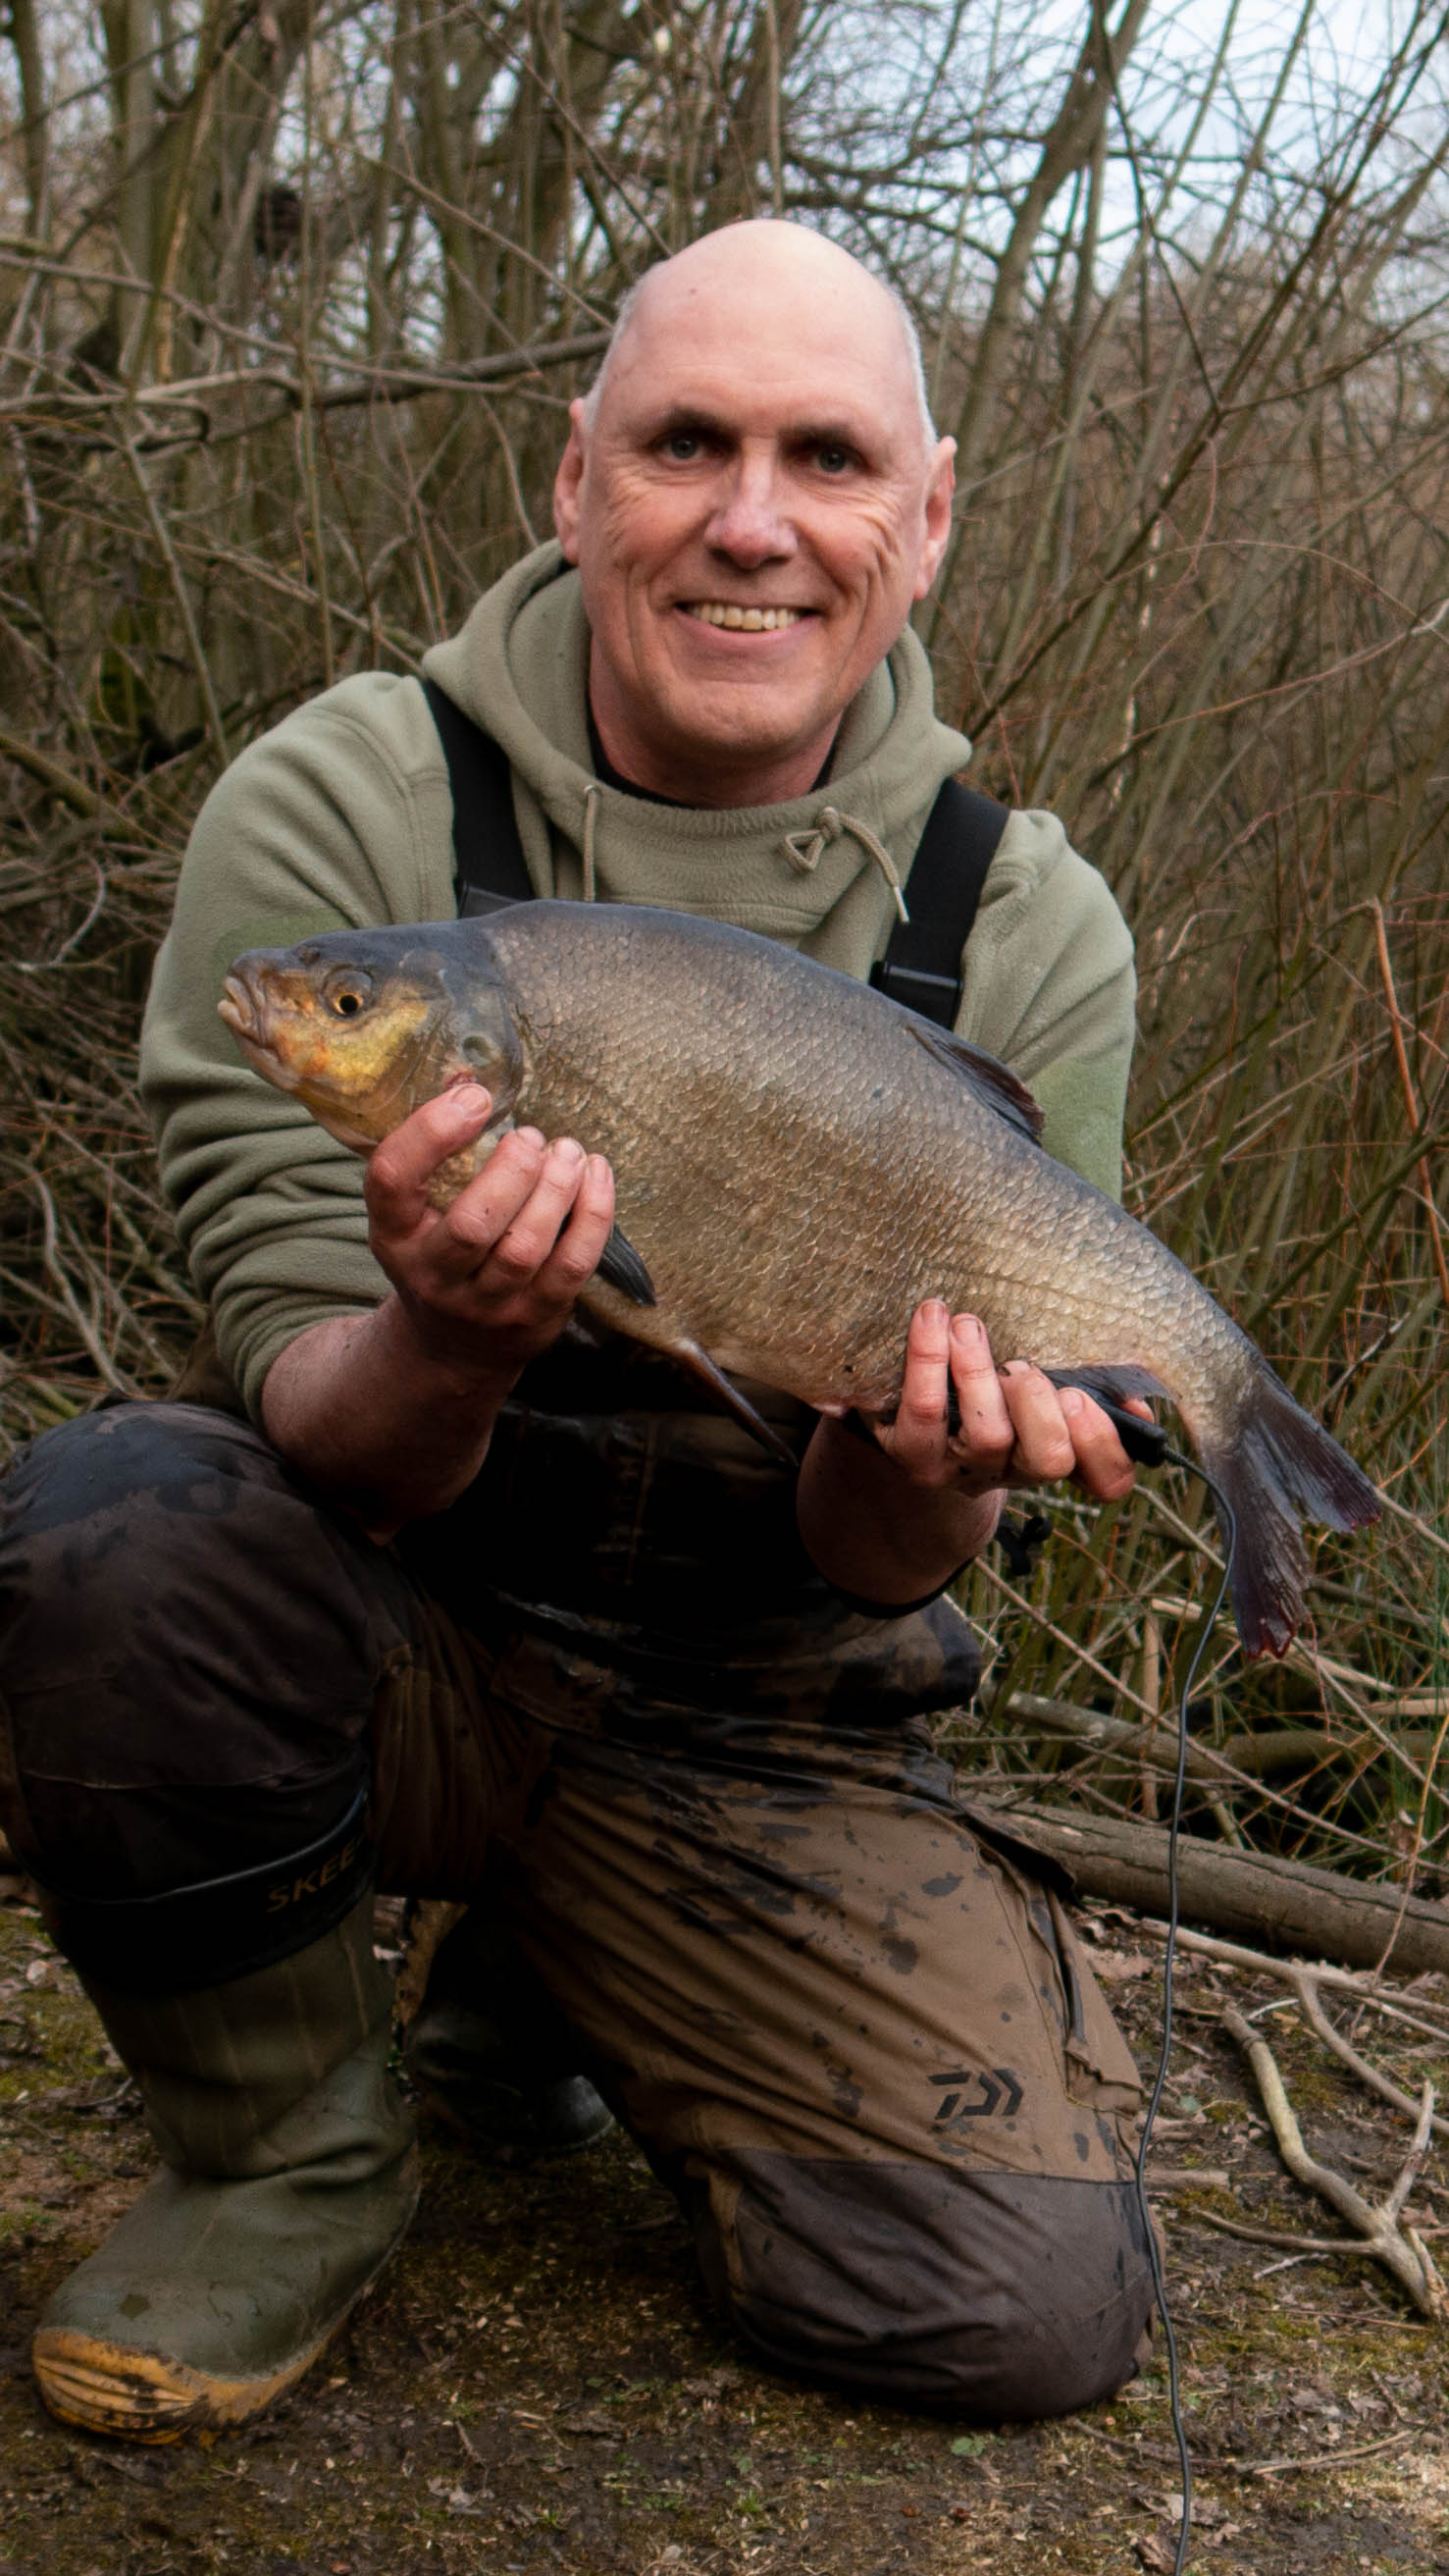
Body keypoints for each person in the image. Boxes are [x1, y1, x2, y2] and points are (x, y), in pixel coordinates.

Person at [0, 220, 1155, 2445]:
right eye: (682, 441)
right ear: (571, 480)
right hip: (380, 1637)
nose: (749, 515)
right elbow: (305, 1409)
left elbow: (889, 1565)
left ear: (924, 514)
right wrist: (444, 1331)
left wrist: (927, 1454)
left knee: (1017, 2314)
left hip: (752, 1720)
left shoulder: (1023, 915)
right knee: (104, 1532)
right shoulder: (342, 803)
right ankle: (289, 2153)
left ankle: (557, 1966)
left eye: (823, 454)